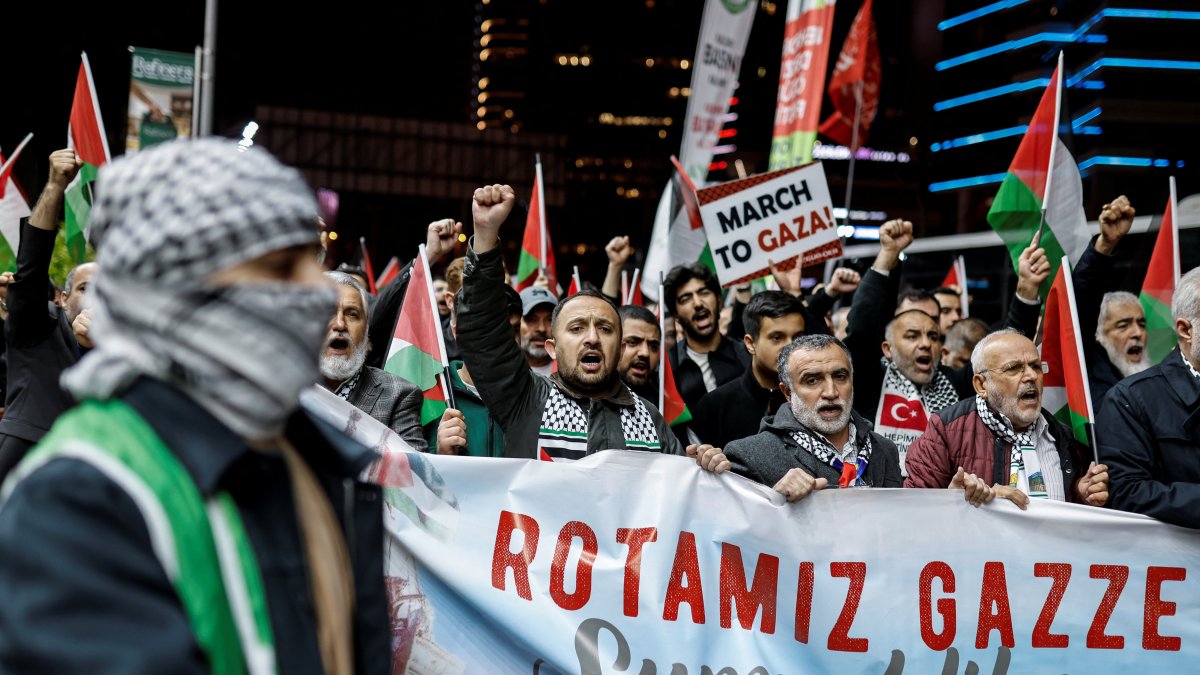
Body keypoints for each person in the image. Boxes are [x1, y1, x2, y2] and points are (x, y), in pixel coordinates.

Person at [0, 139, 389, 673]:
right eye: (281, 268)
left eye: (312, 263)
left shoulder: (306, 458)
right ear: (183, 291)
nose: (317, 297)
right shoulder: (79, 497)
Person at [456, 184, 725, 467]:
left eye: (605, 329)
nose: (593, 338)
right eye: (577, 328)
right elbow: (482, 334)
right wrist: (485, 235)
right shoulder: (526, 398)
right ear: (552, 348)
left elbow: (675, 498)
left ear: (620, 350)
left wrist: (699, 468)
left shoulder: (649, 419)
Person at [844, 219, 1046, 472]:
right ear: (887, 349)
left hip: (941, 499)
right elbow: (863, 327)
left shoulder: (957, 383)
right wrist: (887, 256)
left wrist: (1027, 288)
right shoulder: (869, 378)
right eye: (912, 336)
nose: (925, 344)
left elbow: (1006, 351)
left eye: (933, 336)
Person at [905, 329, 1109, 508]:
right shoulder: (945, 431)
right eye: (1014, 368)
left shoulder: (1064, 436)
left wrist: (1082, 497)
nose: (1031, 376)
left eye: (1036, 366)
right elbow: (914, 513)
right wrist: (957, 500)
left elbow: (1070, 525)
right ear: (981, 385)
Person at [0, 149, 96, 480]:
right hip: (20, 478)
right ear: (63, 298)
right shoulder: (39, 329)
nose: (94, 298)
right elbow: (32, 267)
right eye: (85, 288)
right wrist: (55, 185)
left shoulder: (127, 352)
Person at [724, 335, 903, 502]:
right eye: (812, 381)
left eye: (840, 377)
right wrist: (775, 502)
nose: (831, 392)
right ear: (787, 392)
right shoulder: (750, 455)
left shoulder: (885, 450)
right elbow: (735, 530)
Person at [1098, 266, 1200, 528]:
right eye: (1123, 325)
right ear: (1186, 330)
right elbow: (1126, 492)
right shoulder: (1129, 399)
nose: (1135, 332)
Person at [320, 271, 425, 449]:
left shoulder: (399, 395)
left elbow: (411, 472)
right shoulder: (280, 389)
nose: (340, 324)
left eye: (352, 314)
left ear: (367, 330)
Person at [691, 291, 806, 449]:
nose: (790, 347)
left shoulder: (811, 400)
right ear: (750, 344)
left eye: (798, 338)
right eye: (777, 338)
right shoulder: (714, 407)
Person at [426, 281, 523, 456]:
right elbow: (412, 475)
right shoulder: (431, 396)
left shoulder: (537, 396)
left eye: (514, 330)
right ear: (458, 335)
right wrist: (441, 456)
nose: (507, 342)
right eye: (492, 331)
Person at [1072, 195, 1145, 408]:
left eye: (1141, 324)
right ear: (1099, 333)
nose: (1137, 333)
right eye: (1123, 325)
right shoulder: (1091, 375)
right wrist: (1104, 246)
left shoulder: (1157, 377)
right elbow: (1081, 304)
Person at [663, 263, 750, 408]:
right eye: (685, 298)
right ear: (675, 315)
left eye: (703, 292)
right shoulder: (667, 370)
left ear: (719, 300)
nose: (697, 303)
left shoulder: (747, 356)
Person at [616, 304, 661, 403]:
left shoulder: (663, 410)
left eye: (653, 347)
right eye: (633, 342)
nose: (645, 353)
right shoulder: (586, 400)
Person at [519, 286, 558, 377]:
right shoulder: (502, 372)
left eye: (549, 320)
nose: (542, 329)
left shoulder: (571, 373)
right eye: (532, 320)